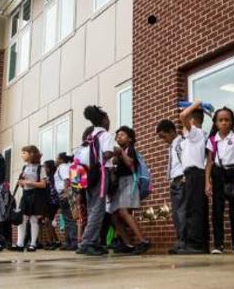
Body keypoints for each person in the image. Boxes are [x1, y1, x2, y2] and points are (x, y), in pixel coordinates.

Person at [205, 107, 234, 254]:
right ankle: (218, 245)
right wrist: (207, 182)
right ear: (216, 123)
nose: (224, 123)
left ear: (232, 122)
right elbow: (209, 162)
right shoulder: (212, 140)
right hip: (218, 174)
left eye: (227, 120)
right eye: (220, 120)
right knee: (217, 210)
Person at [76, 105, 115, 256]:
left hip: (87, 175)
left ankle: (93, 241)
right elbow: (107, 153)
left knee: (92, 208)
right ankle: (87, 243)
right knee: (98, 209)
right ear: (104, 120)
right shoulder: (105, 135)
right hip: (101, 174)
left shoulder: (90, 136)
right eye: (108, 119)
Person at [174, 101, 210, 255]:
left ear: (193, 120)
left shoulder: (196, 132)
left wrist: (197, 103)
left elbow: (182, 115)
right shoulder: (193, 137)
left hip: (195, 174)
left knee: (195, 210)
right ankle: (192, 242)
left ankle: (197, 245)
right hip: (191, 174)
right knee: (191, 208)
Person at [110, 126, 152, 255]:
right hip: (120, 184)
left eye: (122, 135)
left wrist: (121, 154)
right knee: (114, 215)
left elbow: (130, 164)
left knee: (123, 211)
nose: (118, 137)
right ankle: (128, 244)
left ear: (130, 139)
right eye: (117, 136)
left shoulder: (130, 149)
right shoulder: (121, 152)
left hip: (130, 181)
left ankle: (143, 241)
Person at [11, 145, 48, 252]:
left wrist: (28, 182)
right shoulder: (24, 167)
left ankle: (33, 244)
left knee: (33, 219)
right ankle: (20, 243)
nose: (22, 155)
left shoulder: (41, 168)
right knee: (21, 219)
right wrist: (22, 183)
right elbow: (24, 184)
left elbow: (43, 184)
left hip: (36, 195)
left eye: (24, 153)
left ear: (31, 154)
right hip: (25, 194)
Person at [157, 119, 185, 253]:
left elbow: (186, 159)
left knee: (181, 212)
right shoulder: (172, 145)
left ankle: (183, 242)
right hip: (174, 180)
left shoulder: (180, 142)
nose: (163, 139)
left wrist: (185, 176)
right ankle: (180, 241)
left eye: (164, 136)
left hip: (181, 179)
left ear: (172, 131)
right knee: (176, 213)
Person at [54, 153, 77, 251]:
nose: (55, 160)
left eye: (57, 158)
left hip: (65, 193)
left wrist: (67, 193)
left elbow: (66, 180)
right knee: (66, 219)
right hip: (63, 193)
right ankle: (68, 242)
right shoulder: (63, 167)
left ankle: (73, 242)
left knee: (69, 218)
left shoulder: (62, 167)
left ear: (61, 160)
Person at [42, 160, 61, 250]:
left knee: (47, 221)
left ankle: (52, 241)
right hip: (50, 202)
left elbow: (53, 191)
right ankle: (55, 241)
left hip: (52, 202)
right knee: (47, 222)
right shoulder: (49, 177)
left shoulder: (51, 178)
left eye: (45, 167)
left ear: (49, 168)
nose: (44, 169)